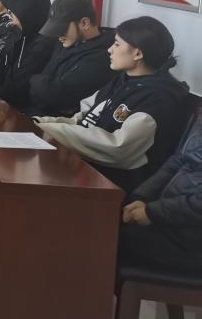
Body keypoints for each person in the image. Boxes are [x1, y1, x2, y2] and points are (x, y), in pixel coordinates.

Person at [35, 16, 189, 192]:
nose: (109, 50)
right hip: (83, 167)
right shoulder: (122, 80)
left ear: (138, 54)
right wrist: (41, 122)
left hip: (112, 185)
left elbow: (118, 148)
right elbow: (83, 119)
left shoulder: (158, 99)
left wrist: (52, 130)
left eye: (116, 44)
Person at [119, 125, 202, 276]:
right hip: (167, 223)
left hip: (189, 243)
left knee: (109, 238)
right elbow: (175, 163)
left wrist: (152, 212)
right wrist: (142, 198)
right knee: (107, 223)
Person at [25, 0, 117, 117]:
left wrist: (34, 80)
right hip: (38, 112)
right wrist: (41, 83)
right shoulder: (67, 41)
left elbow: (57, 95)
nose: (59, 36)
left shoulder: (103, 57)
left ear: (84, 23)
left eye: (62, 30)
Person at [0, 0, 52, 107]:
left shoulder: (43, 45)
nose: (11, 18)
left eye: (13, 12)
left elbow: (19, 86)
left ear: (27, 12)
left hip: (17, 107)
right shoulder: (17, 33)